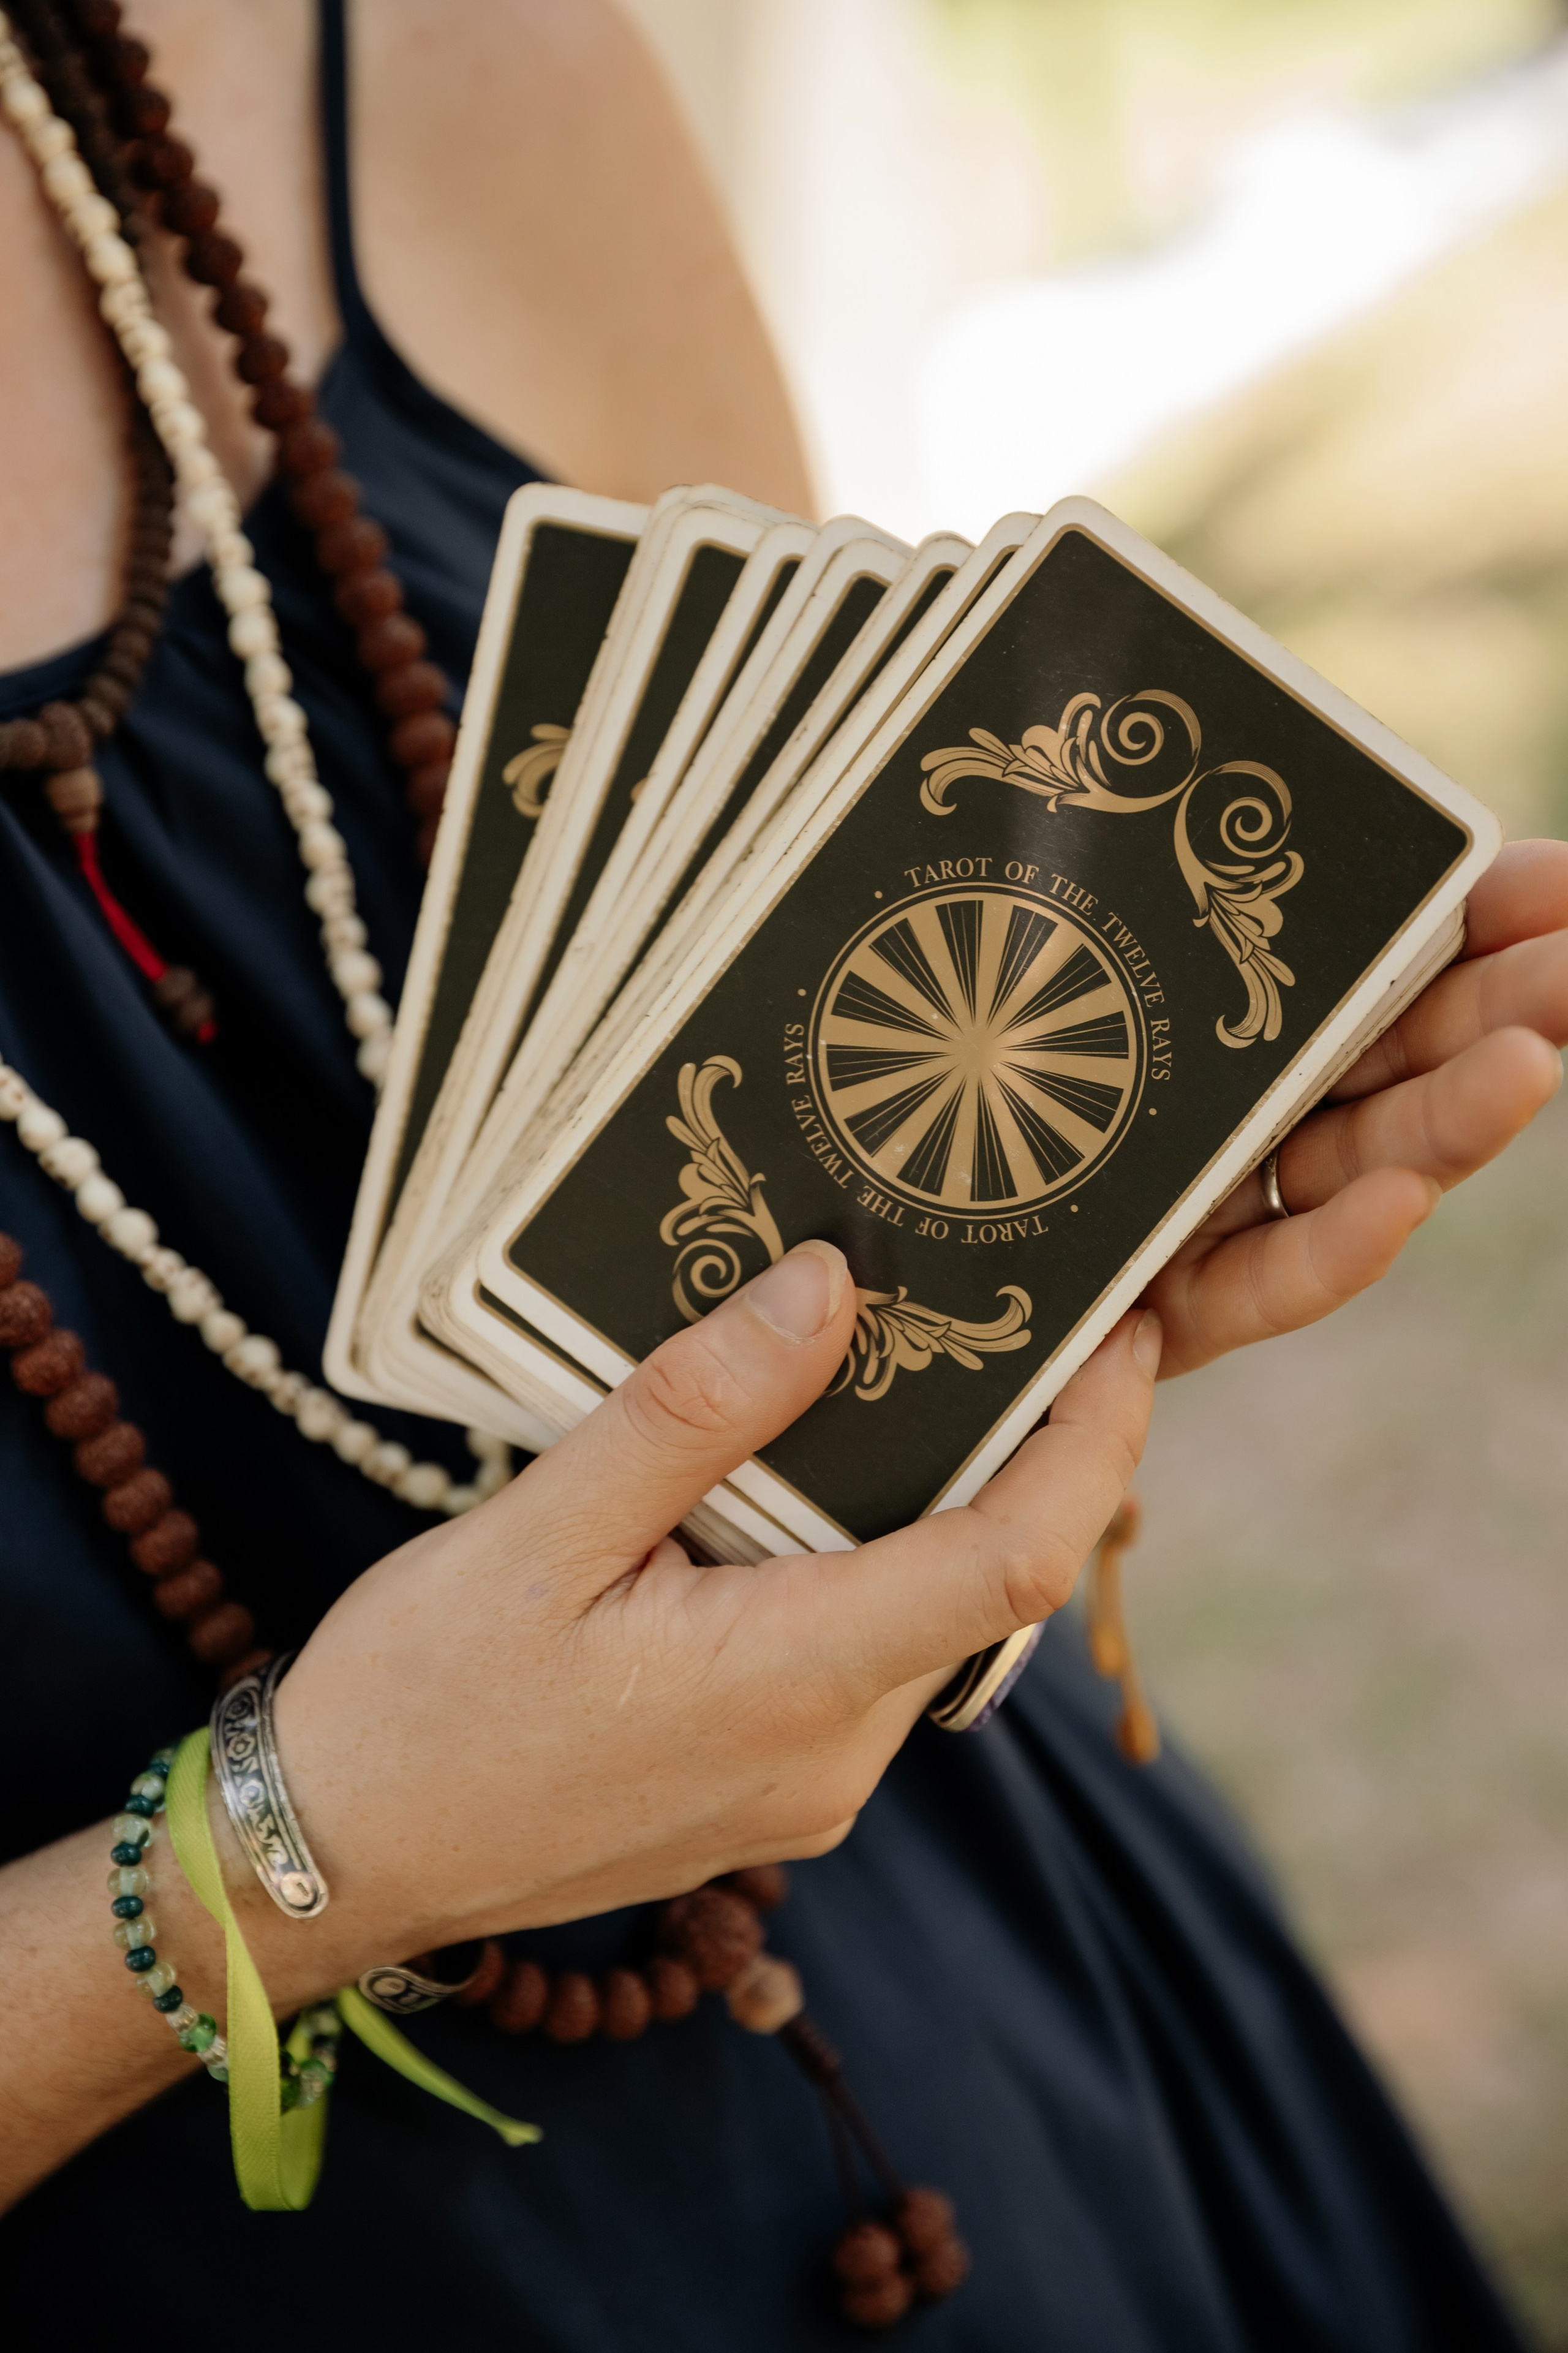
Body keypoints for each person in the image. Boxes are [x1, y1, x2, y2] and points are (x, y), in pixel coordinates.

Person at [1, 2, 1563, 2344]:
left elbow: (843, 939)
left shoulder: (425, 60)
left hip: (991, 2053)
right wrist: (299, 1865)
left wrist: (1058, 1310)